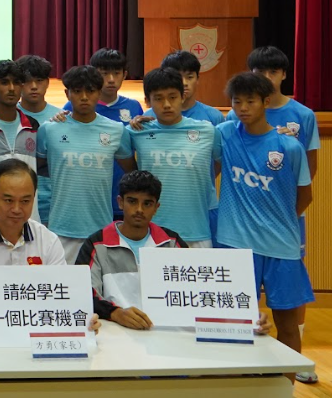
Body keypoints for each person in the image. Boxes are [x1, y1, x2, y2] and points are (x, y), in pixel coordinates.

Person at [215, 72, 314, 398]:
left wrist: (276, 223)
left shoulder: (289, 147)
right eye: (237, 101)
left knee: (287, 325)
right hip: (234, 244)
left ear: (266, 103)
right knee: (234, 326)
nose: (242, 108)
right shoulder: (224, 134)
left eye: (250, 101)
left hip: (281, 247)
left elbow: (305, 196)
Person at [75, 169, 274, 334]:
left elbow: (201, 292)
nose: (139, 209)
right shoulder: (96, 244)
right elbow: (83, 294)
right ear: (120, 202)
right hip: (114, 333)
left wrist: (248, 318)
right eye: (132, 201)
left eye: (147, 203)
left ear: (156, 207)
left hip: (166, 336)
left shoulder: (172, 242)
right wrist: (116, 313)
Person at [241, 45, 321, 387]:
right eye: (259, 71)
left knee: (289, 296)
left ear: (284, 74)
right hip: (245, 228)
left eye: (273, 71)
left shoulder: (303, 115)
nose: (266, 77)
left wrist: (284, 215)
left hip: (286, 222)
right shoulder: (237, 117)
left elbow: (308, 173)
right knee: (244, 300)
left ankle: (295, 364)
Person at [0, 160, 99, 333]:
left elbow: (62, 298)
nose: (16, 209)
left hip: (38, 328)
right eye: (8, 200)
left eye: (25, 201)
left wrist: (83, 319)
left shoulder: (48, 240)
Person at [38, 66, 135, 263]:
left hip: (101, 228)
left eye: (90, 91)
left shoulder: (116, 130)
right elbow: (38, 167)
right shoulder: (49, 130)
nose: (84, 97)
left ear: (99, 93)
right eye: (77, 91)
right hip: (61, 229)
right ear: (67, 93)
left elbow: (131, 173)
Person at [122, 68, 219, 247]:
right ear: (147, 101)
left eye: (172, 97)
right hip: (151, 234)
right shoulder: (135, 131)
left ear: (182, 97)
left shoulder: (207, 130)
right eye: (158, 98)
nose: (166, 104)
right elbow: (128, 166)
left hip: (196, 232)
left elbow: (219, 163)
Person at [15, 55, 61, 223]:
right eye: (27, 81)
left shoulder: (62, 118)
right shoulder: (9, 116)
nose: (34, 87)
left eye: (39, 81)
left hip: (53, 204)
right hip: (16, 203)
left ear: (48, 82)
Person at [159, 50, 226, 125]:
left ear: (197, 79)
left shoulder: (214, 117)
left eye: (189, 77)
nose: (184, 83)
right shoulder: (151, 116)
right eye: (178, 77)